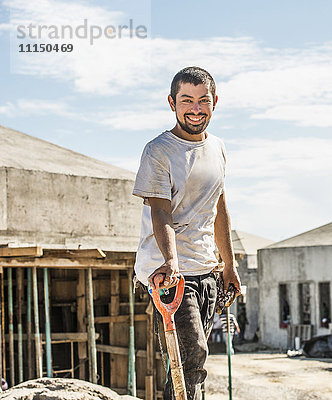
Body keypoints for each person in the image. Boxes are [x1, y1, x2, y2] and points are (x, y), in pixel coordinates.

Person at [133, 66, 241, 400]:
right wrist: (171, 262)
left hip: (206, 271)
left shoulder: (218, 148)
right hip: (169, 275)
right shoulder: (159, 150)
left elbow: (218, 208)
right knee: (191, 358)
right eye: (186, 100)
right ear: (172, 102)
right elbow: (160, 209)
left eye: (202, 100)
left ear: (214, 102)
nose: (195, 108)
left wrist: (229, 264)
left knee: (187, 366)